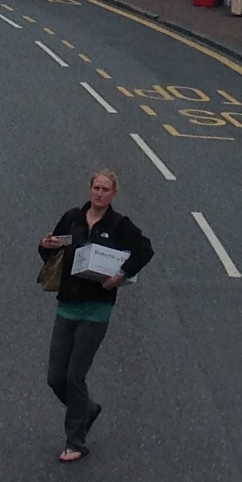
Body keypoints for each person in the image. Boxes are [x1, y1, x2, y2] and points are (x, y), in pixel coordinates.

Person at [38, 168, 153, 462]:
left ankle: (75, 441)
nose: (99, 194)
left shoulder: (119, 224)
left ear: (114, 194)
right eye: (96, 188)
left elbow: (144, 249)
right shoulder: (72, 218)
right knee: (55, 377)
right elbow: (54, 250)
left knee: (75, 375)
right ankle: (86, 409)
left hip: (96, 309)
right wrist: (45, 245)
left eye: (105, 190)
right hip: (67, 304)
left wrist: (122, 274)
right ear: (89, 190)